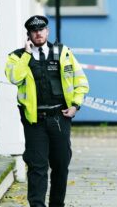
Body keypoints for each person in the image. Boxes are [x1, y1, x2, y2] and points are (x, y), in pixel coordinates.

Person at [5, 15, 89, 207]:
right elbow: (14, 77)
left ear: (47, 31)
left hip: (60, 117)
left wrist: (75, 105)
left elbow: (81, 82)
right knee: (37, 166)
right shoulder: (16, 57)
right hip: (35, 121)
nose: (38, 33)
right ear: (29, 35)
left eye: (41, 29)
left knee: (60, 165)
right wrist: (27, 55)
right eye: (34, 31)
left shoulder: (63, 52)